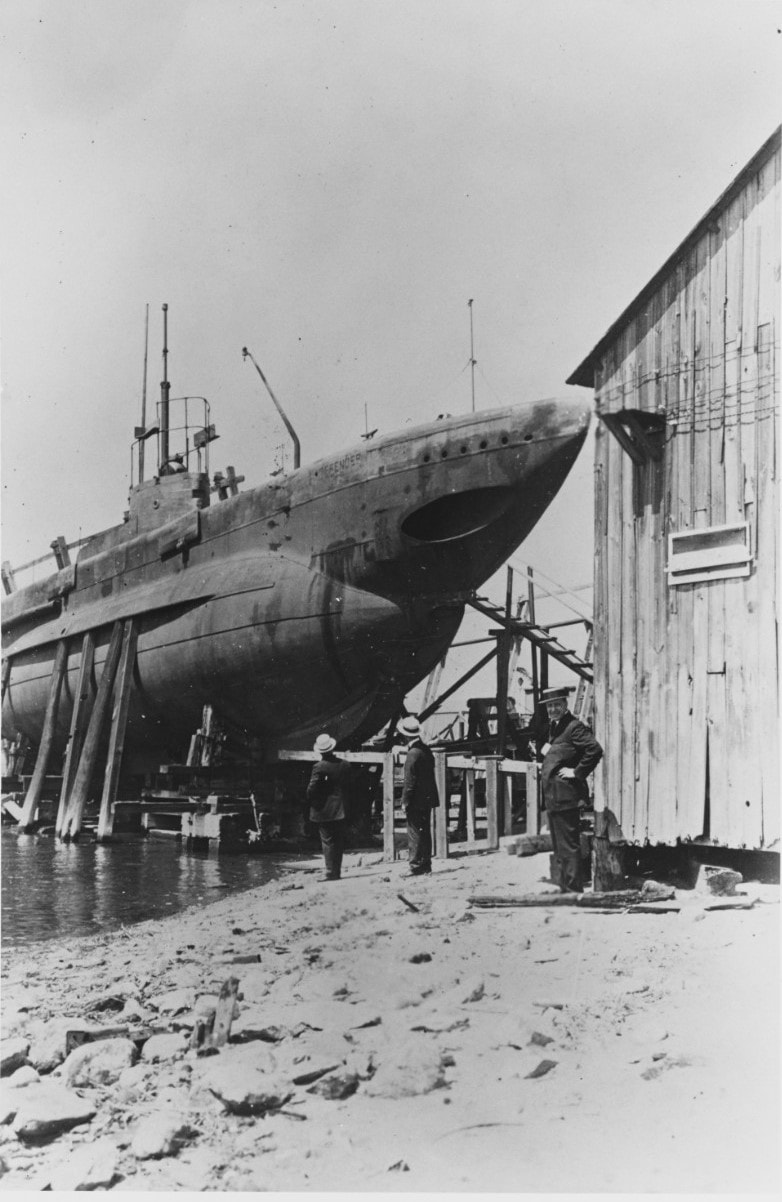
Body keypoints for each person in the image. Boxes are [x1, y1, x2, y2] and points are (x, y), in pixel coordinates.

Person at [539, 686, 603, 893]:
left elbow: (594, 749)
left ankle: (574, 892)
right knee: (560, 847)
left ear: (566, 704)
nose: (553, 709)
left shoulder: (573, 726)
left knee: (568, 846)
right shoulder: (555, 727)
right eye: (550, 706)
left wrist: (577, 772)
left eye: (557, 704)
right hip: (554, 797)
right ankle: (567, 888)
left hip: (566, 797)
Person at [306, 733, 351, 881]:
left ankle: (330, 872)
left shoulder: (318, 767)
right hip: (341, 808)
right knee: (338, 841)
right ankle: (336, 871)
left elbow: (311, 790)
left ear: (320, 751)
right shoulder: (345, 764)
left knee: (327, 841)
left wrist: (312, 799)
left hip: (324, 810)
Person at [398, 715, 440, 876]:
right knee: (425, 832)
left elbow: (409, 781)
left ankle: (415, 865)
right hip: (427, 798)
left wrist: (404, 801)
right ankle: (426, 864)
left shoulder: (412, 753)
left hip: (415, 800)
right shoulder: (425, 750)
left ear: (406, 734)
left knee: (414, 832)